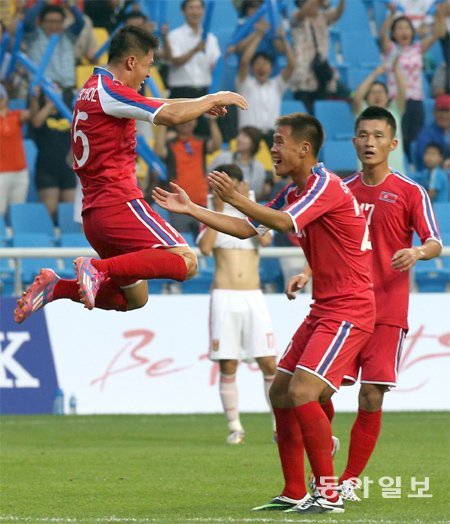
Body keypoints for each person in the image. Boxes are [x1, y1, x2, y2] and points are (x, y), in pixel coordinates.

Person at [153, 112, 376, 514]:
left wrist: (238, 197)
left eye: (278, 142)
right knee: (280, 392)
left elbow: (284, 223)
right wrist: (192, 210)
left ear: (304, 149)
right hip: (325, 306)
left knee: (302, 392)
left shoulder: (324, 185)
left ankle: (328, 493)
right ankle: (294, 490)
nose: (271, 149)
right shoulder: (293, 190)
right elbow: (245, 228)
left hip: (350, 307)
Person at [14, 25, 248, 324]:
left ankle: (57, 287)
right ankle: (98, 269)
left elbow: (160, 105)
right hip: (118, 204)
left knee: (135, 298)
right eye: (148, 65)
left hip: (95, 215)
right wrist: (215, 97)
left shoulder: (92, 88)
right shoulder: (110, 92)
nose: (149, 75)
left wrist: (200, 104)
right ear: (131, 62)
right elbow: (170, 116)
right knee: (186, 261)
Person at [302, 106, 442, 502]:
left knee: (371, 395)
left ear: (392, 143)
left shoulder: (410, 191)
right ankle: (324, 442)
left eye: (378, 136)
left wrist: (417, 253)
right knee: (318, 392)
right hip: (344, 306)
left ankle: (347, 480)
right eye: (363, 135)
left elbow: (434, 240)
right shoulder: (340, 190)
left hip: (387, 308)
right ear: (354, 141)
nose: (370, 142)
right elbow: (326, 244)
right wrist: (308, 272)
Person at [197, 163, 277, 445]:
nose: (221, 189)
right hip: (224, 296)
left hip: (253, 296)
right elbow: (205, 248)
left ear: (241, 186)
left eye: (227, 184)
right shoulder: (209, 211)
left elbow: (266, 239)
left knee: (269, 362)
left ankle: (279, 426)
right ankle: (235, 427)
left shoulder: (255, 209)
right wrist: (218, 209)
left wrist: (243, 205)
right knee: (228, 364)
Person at [379, 5, 446, 159]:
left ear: (412, 31)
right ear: (394, 32)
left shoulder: (418, 48)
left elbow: (438, 33)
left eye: (406, 28)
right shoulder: (390, 48)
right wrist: (392, 15)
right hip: (397, 100)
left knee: (415, 138)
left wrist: (439, 15)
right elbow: (382, 34)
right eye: (399, 28)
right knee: (398, 137)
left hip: (416, 99)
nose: (403, 31)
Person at [154, 116, 223, 236]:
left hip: (202, 203)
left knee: (203, 241)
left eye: (190, 119)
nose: (187, 122)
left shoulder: (200, 142)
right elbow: (159, 151)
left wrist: (212, 121)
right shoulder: (171, 144)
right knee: (182, 240)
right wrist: (163, 124)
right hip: (178, 204)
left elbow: (216, 145)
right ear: (176, 123)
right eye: (183, 119)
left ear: (196, 122)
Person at [167, 0, 221, 137]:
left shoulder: (211, 38)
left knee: (203, 139)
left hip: (204, 94)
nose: (195, 12)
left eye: (198, 8)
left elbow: (216, 65)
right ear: (183, 11)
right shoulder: (175, 36)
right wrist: (195, 50)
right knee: (176, 139)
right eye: (191, 8)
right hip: (181, 94)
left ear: (203, 12)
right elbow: (175, 60)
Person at [236, 23, 295, 147]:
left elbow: (292, 65)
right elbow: (244, 62)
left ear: (272, 68)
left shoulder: (277, 85)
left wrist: (283, 39)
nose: (261, 66)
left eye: (265, 63)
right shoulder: (245, 84)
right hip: (249, 136)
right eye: (257, 63)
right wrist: (259, 35)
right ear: (252, 68)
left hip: (272, 136)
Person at [28, 85, 77, 219]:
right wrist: (49, 104)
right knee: (49, 210)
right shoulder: (41, 113)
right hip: (46, 167)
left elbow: (78, 132)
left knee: (70, 212)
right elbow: (36, 123)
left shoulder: (68, 112)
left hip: (66, 167)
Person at [289, 0, 346, 114]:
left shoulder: (323, 16)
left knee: (321, 114)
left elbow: (337, 13)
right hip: (303, 76)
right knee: (304, 117)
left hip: (320, 74)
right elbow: (303, 12)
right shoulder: (296, 15)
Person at [352, 60, 406, 173]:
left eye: (380, 92)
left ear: (387, 97)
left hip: (395, 173)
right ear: (367, 97)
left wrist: (396, 71)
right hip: (368, 175)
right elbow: (357, 97)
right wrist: (375, 73)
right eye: (372, 92)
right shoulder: (363, 114)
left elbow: (402, 92)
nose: (377, 95)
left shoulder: (395, 112)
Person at [209, 125, 272, 201]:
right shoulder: (223, 158)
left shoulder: (258, 167)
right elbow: (209, 179)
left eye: (245, 136)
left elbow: (256, 193)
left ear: (254, 142)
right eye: (239, 135)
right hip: (220, 202)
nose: (239, 139)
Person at [0, 83, 30, 216]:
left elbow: (31, 114)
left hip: (20, 171)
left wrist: (34, 97)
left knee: (18, 212)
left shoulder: (15, 115)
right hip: (1, 172)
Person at [415, 93, 450, 171]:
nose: (443, 115)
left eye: (447, 111)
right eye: (440, 111)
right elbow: (425, 158)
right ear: (434, 112)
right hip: (430, 176)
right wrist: (443, 162)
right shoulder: (426, 133)